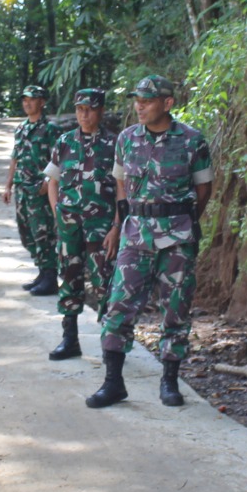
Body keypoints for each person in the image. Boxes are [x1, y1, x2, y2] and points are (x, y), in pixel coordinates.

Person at [86, 75, 213, 409]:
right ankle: (113, 382)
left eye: (147, 101)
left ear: (167, 103)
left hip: (177, 237)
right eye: (137, 100)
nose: (139, 106)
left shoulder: (192, 140)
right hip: (135, 235)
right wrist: (120, 224)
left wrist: (182, 221)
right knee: (118, 307)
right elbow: (121, 184)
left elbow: (204, 189)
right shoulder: (127, 138)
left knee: (176, 310)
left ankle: (169, 381)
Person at [43, 87, 118, 360]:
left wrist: (116, 226)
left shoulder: (114, 144)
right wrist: (57, 213)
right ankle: (70, 339)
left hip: (101, 228)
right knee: (69, 280)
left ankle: (110, 343)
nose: (84, 115)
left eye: (90, 109)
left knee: (105, 283)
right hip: (69, 226)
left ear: (101, 110)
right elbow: (53, 181)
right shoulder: (64, 141)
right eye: (79, 109)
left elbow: (123, 189)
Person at [4, 84, 59, 295]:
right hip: (22, 189)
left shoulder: (50, 129)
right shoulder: (21, 128)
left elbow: (58, 159)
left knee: (43, 234)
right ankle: (42, 272)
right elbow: (15, 158)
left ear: (42, 102)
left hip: (39, 190)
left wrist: (48, 183)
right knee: (26, 233)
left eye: (32, 99)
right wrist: (8, 185)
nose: (27, 103)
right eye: (25, 99)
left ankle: (50, 276)